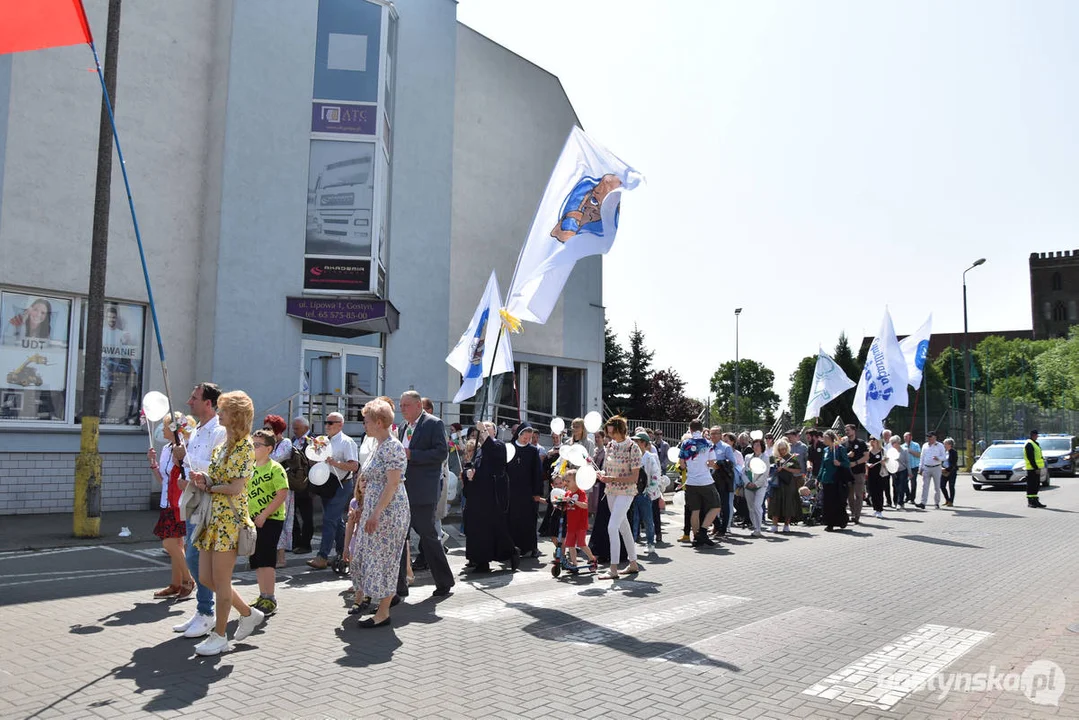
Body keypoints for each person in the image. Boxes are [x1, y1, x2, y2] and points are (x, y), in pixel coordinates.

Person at [189, 390, 264, 656]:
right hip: (213, 518)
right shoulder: (222, 446)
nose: (219, 414)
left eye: (223, 410)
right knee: (207, 577)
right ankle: (248, 613)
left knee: (221, 580)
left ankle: (220, 635)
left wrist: (211, 487)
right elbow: (219, 481)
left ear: (236, 416)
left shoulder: (245, 447)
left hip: (229, 520)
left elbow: (235, 487)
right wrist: (204, 480)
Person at [348, 399, 411, 628]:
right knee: (367, 556)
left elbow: (392, 484)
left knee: (384, 560)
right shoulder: (378, 445)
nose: (363, 424)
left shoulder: (393, 447)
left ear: (379, 422)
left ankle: (383, 612)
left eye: (366, 420)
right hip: (375, 510)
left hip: (389, 512)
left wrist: (375, 513)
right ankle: (373, 602)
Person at [171, 382, 226, 640]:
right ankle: (203, 610)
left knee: (195, 557)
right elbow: (192, 470)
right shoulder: (197, 430)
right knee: (195, 557)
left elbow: (217, 468)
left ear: (208, 403)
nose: (188, 402)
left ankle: (211, 611)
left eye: (194, 398)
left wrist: (187, 459)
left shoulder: (219, 431)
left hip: (211, 503)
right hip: (194, 498)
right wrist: (181, 464)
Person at [395, 391, 454, 598]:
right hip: (403, 491)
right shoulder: (402, 427)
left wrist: (413, 455)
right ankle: (399, 585)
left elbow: (441, 453)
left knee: (428, 536)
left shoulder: (433, 423)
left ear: (419, 405)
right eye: (400, 405)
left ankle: (444, 581)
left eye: (406, 405)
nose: (402, 409)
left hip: (423, 491)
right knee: (400, 537)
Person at [148, 412, 196, 599]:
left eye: (166, 425)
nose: (163, 429)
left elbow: (188, 474)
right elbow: (164, 480)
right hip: (167, 501)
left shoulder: (186, 448)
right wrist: (153, 464)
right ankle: (176, 584)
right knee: (176, 544)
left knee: (169, 543)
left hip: (181, 502)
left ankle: (188, 578)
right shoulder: (167, 449)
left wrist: (181, 460)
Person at [462, 421, 519, 573]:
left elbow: (493, 451)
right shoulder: (478, 450)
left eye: (488, 428)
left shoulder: (499, 446)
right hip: (478, 496)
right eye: (483, 428)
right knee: (478, 530)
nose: (484, 430)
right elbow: (470, 466)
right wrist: (468, 473)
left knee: (495, 529)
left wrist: (484, 433)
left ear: (494, 432)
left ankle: (511, 552)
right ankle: (480, 561)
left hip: (492, 497)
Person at [243, 429, 289, 615]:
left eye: (257, 445)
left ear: (269, 448)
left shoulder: (275, 468)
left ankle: (270, 598)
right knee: (257, 559)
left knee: (267, 560)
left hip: (271, 520)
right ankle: (263, 595)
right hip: (252, 520)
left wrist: (263, 515)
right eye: (252, 444)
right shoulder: (250, 467)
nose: (253, 447)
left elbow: (282, 494)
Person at [307, 412, 358, 569]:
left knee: (329, 519)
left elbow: (354, 466)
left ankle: (322, 556)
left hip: (342, 484)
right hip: (327, 483)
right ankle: (344, 553)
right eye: (326, 422)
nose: (327, 425)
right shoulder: (324, 441)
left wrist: (335, 463)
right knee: (336, 521)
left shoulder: (347, 442)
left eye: (331, 422)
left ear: (340, 424)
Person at [596, 416, 643, 579]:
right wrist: (602, 475)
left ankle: (613, 568)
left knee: (612, 527)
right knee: (624, 527)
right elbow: (607, 470)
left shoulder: (633, 447)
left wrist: (612, 479)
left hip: (626, 491)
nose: (610, 436)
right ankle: (633, 564)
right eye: (608, 433)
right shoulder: (610, 445)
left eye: (613, 433)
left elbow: (634, 478)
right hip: (611, 490)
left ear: (621, 430)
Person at [679, 420, 722, 548]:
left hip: (691, 482)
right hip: (705, 481)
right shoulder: (708, 443)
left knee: (695, 511)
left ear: (690, 430)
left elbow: (682, 465)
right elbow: (712, 463)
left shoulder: (685, 443)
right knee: (716, 506)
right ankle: (703, 531)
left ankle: (697, 537)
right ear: (702, 429)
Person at [506, 423, 545, 558]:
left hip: (528, 492)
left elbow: (537, 473)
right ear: (519, 434)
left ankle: (531, 547)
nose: (527, 440)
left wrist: (537, 492)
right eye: (525, 437)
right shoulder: (509, 448)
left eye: (529, 438)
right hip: (511, 491)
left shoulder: (533, 451)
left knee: (529, 520)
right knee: (512, 520)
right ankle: (512, 547)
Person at [262, 415, 294, 569]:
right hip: (267, 487)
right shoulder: (267, 444)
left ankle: (281, 558)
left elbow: (275, 458)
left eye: (269, 429)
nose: (266, 431)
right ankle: (270, 556)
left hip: (282, 488)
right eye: (265, 428)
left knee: (280, 520)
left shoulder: (285, 443)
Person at [630, 431, 660, 554]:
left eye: (637, 441)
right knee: (633, 519)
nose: (634, 444)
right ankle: (631, 544)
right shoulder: (631, 457)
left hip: (644, 494)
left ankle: (650, 543)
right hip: (632, 493)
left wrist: (649, 491)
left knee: (647, 519)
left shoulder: (650, 458)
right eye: (634, 441)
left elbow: (655, 476)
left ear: (644, 443)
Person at [560, 471, 598, 571]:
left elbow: (585, 505)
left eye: (568, 481)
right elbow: (566, 508)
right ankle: (574, 564)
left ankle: (592, 559)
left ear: (577, 482)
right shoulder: (568, 493)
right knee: (570, 545)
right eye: (565, 481)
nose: (566, 483)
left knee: (581, 544)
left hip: (580, 524)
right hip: (571, 524)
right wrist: (560, 504)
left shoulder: (581, 492)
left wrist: (573, 501)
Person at [289, 417, 314, 553]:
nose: (294, 431)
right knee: (292, 514)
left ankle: (306, 544)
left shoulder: (313, 441)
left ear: (305, 428)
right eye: (293, 428)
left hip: (307, 484)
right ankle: (295, 541)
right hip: (294, 483)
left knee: (306, 516)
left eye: (297, 428)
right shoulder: (293, 440)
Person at [769, 439, 803, 533]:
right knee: (775, 503)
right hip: (777, 483)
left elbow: (798, 470)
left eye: (784, 449)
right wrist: (776, 469)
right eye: (780, 449)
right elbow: (769, 470)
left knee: (788, 503)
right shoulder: (774, 458)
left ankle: (786, 525)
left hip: (789, 484)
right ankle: (774, 525)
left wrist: (786, 468)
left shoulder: (792, 458)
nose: (782, 451)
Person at [819, 430, 851, 531]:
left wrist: (840, 463)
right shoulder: (826, 450)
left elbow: (847, 463)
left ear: (830, 438)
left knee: (837, 501)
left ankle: (841, 520)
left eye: (825, 438)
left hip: (837, 479)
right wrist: (819, 478)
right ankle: (829, 523)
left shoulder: (840, 449)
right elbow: (822, 465)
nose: (823, 440)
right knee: (827, 502)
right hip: (826, 479)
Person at [844, 424, 869, 525]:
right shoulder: (844, 444)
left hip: (859, 472)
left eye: (848, 430)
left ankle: (857, 516)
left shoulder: (861, 443)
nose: (847, 432)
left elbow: (866, 457)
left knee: (858, 495)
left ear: (854, 431)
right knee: (850, 495)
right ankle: (853, 514)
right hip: (848, 473)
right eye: (845, 430)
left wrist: (856, 462)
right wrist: (847, 456)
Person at [743, 438, 769, 537]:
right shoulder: (747, 457)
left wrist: (756, 484)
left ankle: (758, 528)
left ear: (762, 447)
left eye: (758, 445)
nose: (756, 447)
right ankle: (755, 527)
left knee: (757, 506)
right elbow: (744, 471)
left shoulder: (765, 458)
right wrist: (747, 482)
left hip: (760, 486)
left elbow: (765, 474)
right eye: (754, 445)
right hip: (748, 485)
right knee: (751, 508)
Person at [915, 432, 946, 510]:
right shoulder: (925, 445)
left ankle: (936, 503)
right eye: (928, 438)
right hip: (926, 467)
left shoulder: (940, 445)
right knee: (925, 486)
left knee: (937, 486)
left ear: (935, 437)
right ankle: (923, 503)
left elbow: (944, 457)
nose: (929, 439)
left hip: (936, 467)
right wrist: (920, 468)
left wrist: (938, 458)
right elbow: (922, 457)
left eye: (930, 437)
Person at [1024, 429, 1048, 508]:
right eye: (1037, 435)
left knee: (1036, 485)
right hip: (1032, 469)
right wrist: (1035, 468)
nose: (1037, 436)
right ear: (1033, 435)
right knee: (1031, 485)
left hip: (1036, 468)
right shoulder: (1029, 444)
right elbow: (1030, 457)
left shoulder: (1035, 443)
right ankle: (1030, 502)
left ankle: (1035, 500)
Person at [865, 437, 886, 519]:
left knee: (879, 491)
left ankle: (879, 509)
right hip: (871, 474)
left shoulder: (882, 451)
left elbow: (886, 463)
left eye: (874, 439)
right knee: (872, 491)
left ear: (877, 441)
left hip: (880, 474)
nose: (872, 441)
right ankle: (875, 508)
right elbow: (865, 461)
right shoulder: (869, 451)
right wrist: (867, 464)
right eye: (871, 439)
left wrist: (884, 462)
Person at [889, 436, 910, 509]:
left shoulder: (905, 450)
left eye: (893, 442)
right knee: (895, 486)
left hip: (903, 470)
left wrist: (909, 472)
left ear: (898, 442)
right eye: (891, 443)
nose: (892, 444)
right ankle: (895, 501)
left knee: (901, 486)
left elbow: (907, 462)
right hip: (894, 470)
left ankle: (900, 502)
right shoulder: (890, 451)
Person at [940, 437, 959, 507]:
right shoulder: (944, 452)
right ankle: (947, 499)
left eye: (945, 444)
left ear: (949, 444)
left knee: (951, 486)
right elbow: (942, 461)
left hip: (951, 472)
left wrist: (947, 469)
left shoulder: (954, 452)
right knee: (942, 486)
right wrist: (942, 468)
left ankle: (951, 501)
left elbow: (953, 463)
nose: (944, 445)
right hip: (943, 471)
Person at [903, 432, 922, 502]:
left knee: (913, 482)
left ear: (911, 437)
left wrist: (910, 451)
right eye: (904, 437)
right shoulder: (902, 446)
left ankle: (912, 498)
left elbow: (918, 455)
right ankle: (908, 495)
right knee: (904, 482)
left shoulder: (916, 445)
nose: (905, 438)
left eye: (906, 437)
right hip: (905, 467)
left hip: (914, 466)